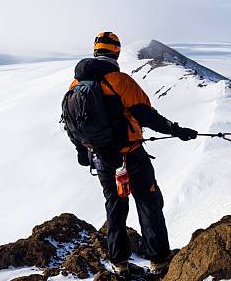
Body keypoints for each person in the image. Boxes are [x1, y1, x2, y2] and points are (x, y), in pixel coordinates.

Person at [68, 32, 198, 278]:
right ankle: (159, 261)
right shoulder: (120, 81)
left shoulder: (75, 85)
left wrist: (82, 152)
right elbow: (146, 115)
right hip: (131, 156)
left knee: (115, 208)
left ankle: (119, 264)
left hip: (102, 158)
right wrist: (177, 131)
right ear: (116, 52)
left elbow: (71, 124)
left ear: (96, 51)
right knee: (149, 203)